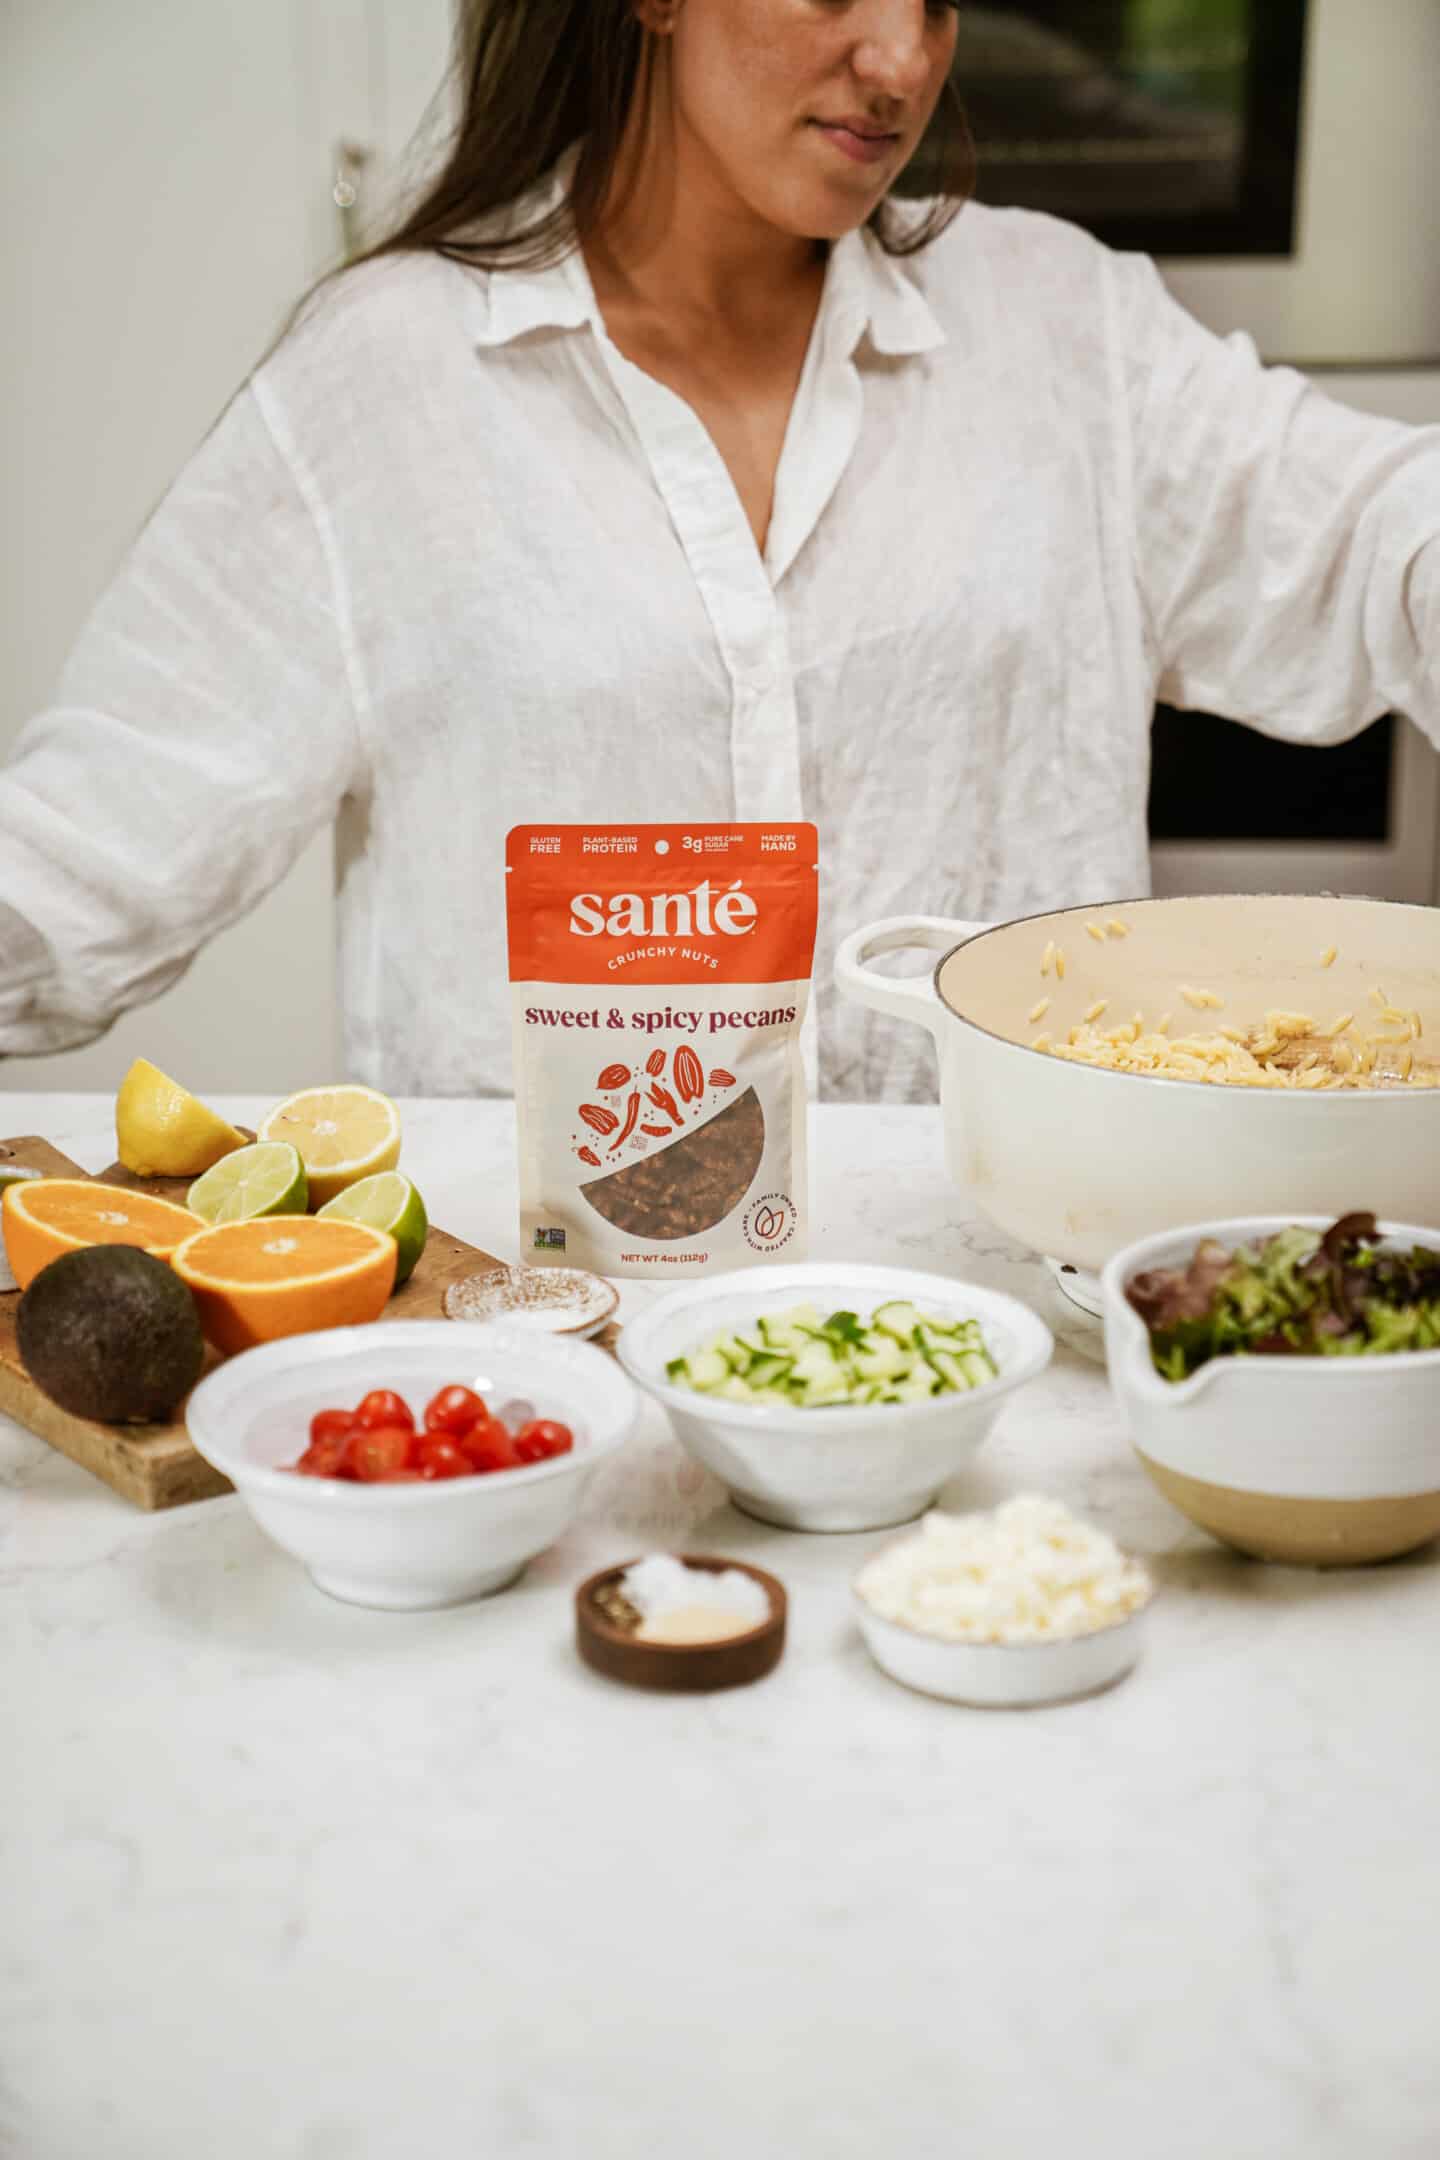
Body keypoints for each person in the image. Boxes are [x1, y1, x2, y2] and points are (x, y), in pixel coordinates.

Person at [2, 0, 1438, 1105]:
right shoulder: (385, 382)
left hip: (988, 1336)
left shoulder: (1067, 331)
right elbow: (81, 865)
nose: (899, 60)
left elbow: (1381, 537)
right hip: (539, 1378)